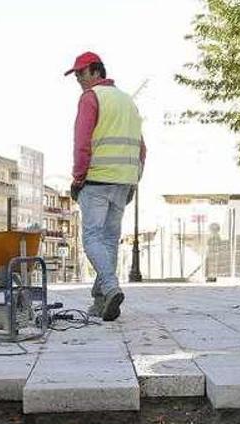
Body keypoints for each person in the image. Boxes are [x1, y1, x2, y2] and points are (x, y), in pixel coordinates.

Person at [66, 51, 147, 321]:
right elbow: (142, 147)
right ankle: (101, 300)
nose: (78, 78)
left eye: (81, 72)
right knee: (110, 240)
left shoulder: (91, 98)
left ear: (95, 71)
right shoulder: (127, 101)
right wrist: (135, 177)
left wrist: (78, 178)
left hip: (97, 179)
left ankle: (111, 288)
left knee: (91, 238)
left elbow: (82, 143)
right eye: (76, 74)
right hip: (123, 181)